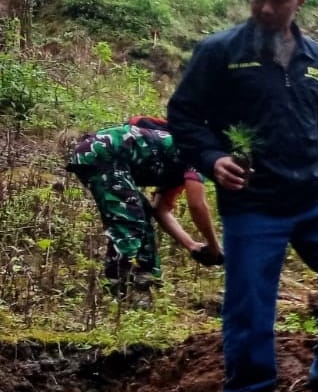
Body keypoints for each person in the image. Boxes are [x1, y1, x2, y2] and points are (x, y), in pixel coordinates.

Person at [167, 0, 318, 392]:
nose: (265, 6)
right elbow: (183, 116)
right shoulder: (220, 51)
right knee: (250, 299)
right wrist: (213, 158)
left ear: (298, 2)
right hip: (253, 201)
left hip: (313, 196)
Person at [66, 116, 223, 298]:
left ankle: (145, 279)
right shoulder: (199, 155)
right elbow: (197, 206)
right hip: (105, 152)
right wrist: (213, 245)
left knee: (143, 211)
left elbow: (160, 210)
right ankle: (120, 287)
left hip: (107, 157)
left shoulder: (178, 168)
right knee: (129, 219)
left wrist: (192, 245)